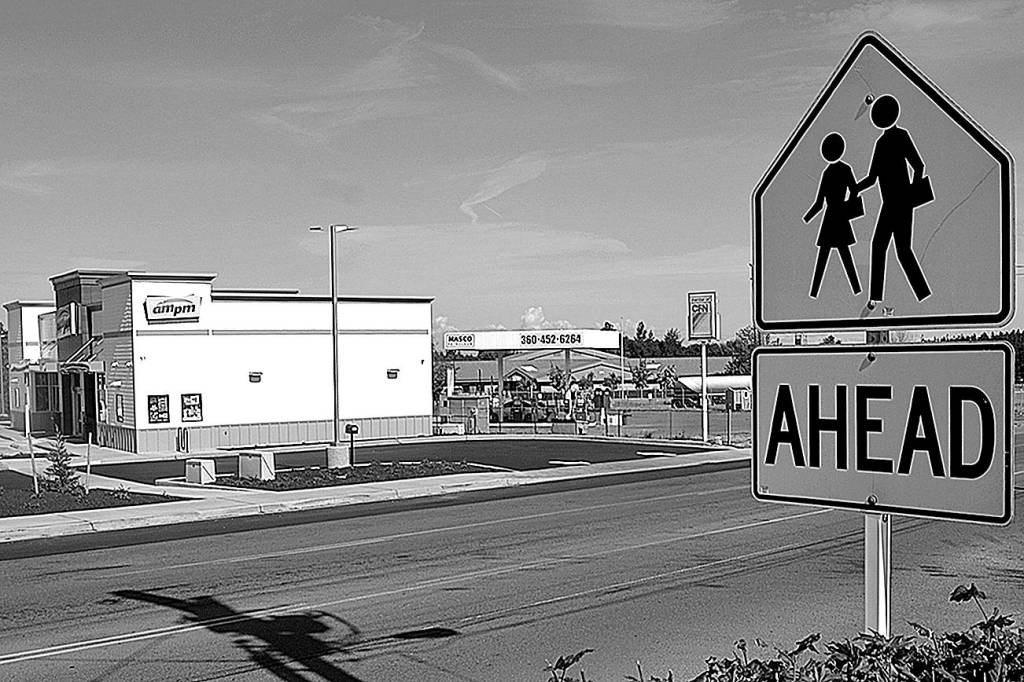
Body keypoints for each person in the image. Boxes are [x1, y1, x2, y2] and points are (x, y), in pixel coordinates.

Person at [856, 94, 932, 308]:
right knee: (880, 246)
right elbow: (872, 177)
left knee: (902, 250)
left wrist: (911, 194)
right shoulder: (881, 143)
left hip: (901, 203)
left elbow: (918, 165)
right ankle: (876, 298)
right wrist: (855, 188)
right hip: (889, 204)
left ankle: (923, 294)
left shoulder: (901, 137)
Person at [803, 131, 863, 298]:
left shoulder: (830, 173)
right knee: (836, 256)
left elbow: (820, 203)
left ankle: (817, 293)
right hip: (838, 217)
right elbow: (854, 191)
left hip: (832, 217)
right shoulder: (840, 170)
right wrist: (806, 219)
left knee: (835, 256)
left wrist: (807, 218)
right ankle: (816, 293)